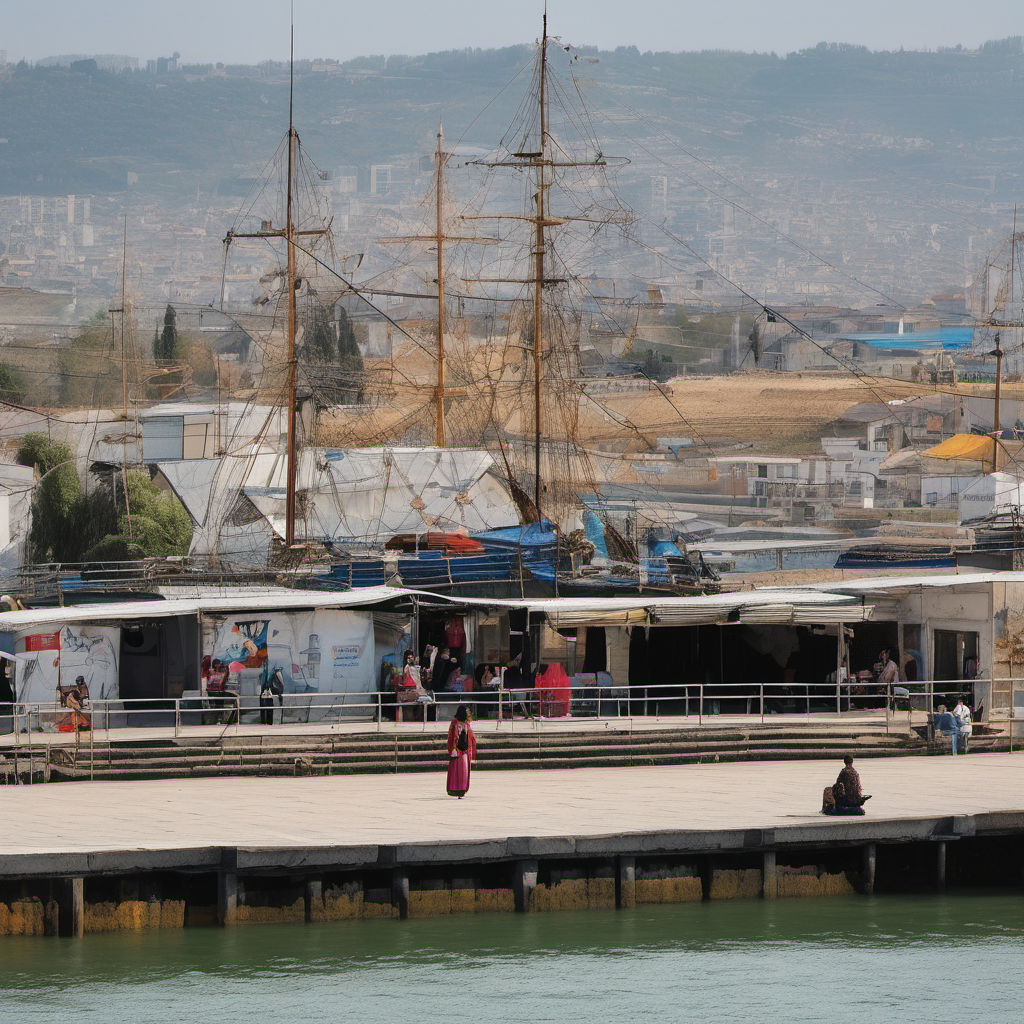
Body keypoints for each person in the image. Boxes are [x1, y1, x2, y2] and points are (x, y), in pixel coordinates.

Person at [446, 704, 476, 798]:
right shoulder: (455, 723)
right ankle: (455, 789)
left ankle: (461, 790)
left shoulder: (466, 724)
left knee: (463, 772)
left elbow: (470, 738)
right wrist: (453, 749)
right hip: (458, 751)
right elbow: (451, 737)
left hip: (464, 752)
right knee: (457, 772)